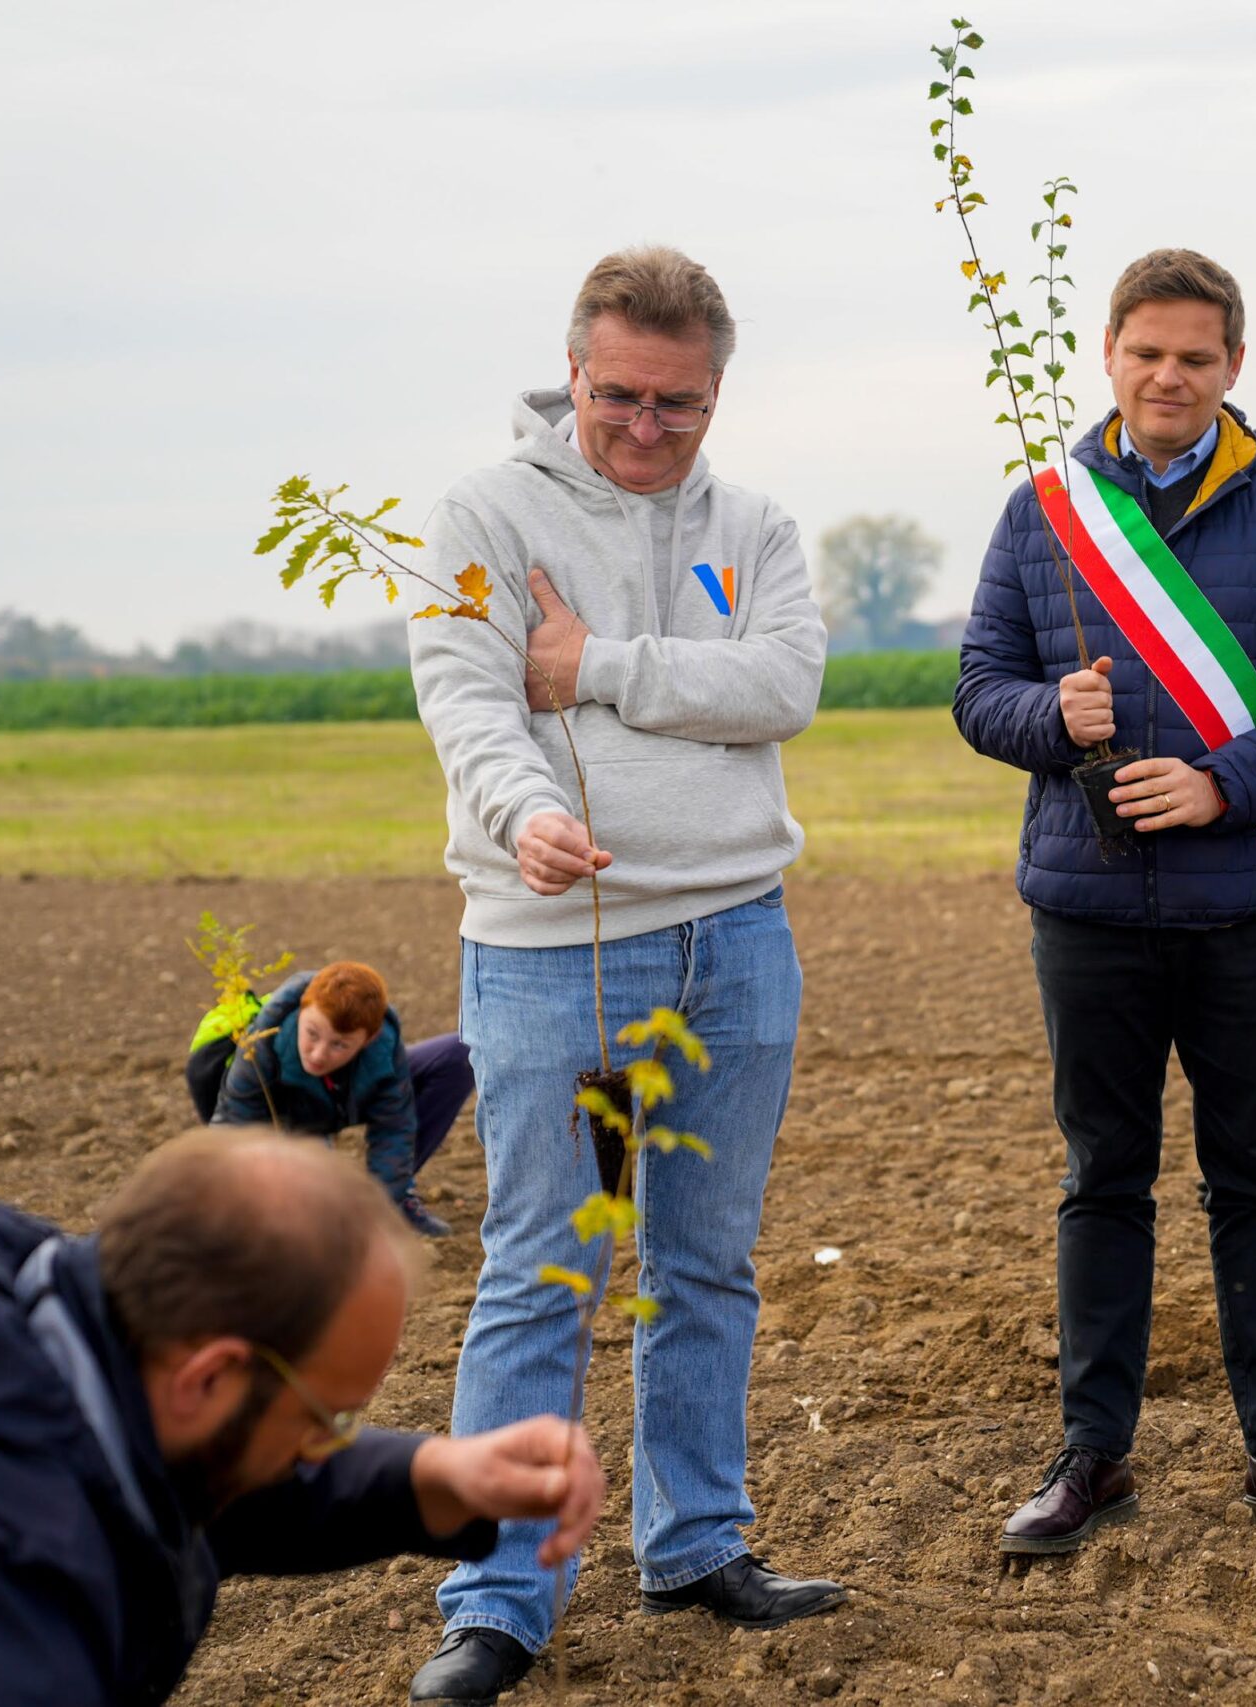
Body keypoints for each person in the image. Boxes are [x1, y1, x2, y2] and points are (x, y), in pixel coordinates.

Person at [404, 245, 836, 1702]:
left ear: (718, 391)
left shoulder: (757, 523)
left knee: (705, 1261)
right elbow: (469, 691)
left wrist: (593, 662)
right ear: (572, 371)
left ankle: (698, 1537)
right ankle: (500, 1593)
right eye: (621, 398)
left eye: (682, 405)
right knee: (549, 1265)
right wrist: (524, 813)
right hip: (564, 957)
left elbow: (783, 684)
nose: (648, 430)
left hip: (737, 941)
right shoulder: (481, 515)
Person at [957, 249, 1256, 1553]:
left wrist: (1220, 786)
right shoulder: (1043, 507)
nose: (1169, 375)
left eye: (1196, 357)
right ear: (1109, 351)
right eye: (1148, 351)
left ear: (1234, 367)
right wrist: (1052, 713)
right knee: (1103, 1175)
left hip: (1246, 899)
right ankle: (1093, 1450)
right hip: (1085, 908)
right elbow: (979, 686)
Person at [0, 1133, 602, 1707]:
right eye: (325, 1417)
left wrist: (438, 1473)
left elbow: (199, 1468)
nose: (322, 1448)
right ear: (210, 1373)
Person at [190, 961, 475, 1238]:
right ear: (302, 1012)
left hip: (337, 1100)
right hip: (281, 1119)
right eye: (312, 1034)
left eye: (339, 1044)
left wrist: (379, 1210)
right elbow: (232, 1126)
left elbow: (394, 1129)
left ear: (368, 1038)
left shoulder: (382, 1046)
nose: (318, 1054)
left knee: (457, 1057)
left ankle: (398, 1200)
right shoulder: (264, 1041)